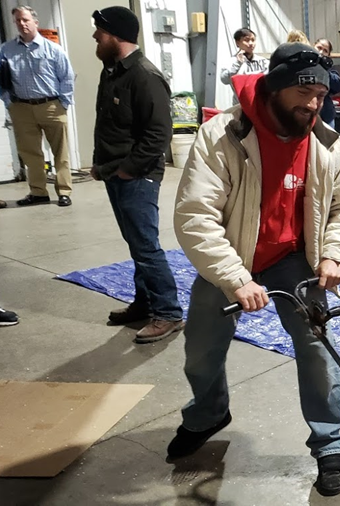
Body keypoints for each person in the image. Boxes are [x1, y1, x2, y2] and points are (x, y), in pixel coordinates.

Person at [170, 42, 340, 497]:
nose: (314, 104)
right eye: (304, 92)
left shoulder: (324, 141)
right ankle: (207, 413)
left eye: (321, 94)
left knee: (316, 349)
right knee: (200, 349)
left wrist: (334, 254)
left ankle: (330, 443)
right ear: (275, 86)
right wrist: (236, 278)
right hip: (233, 258)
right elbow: (195, 216)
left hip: (293, 260)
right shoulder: (223, 136)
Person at [91, 6, 184, 343]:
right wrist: (102, 166)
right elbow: (110, 125)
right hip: (116, 173)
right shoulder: (112, 71)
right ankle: (145, 304)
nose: (95, 37)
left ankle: (169, 313)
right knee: (136, 243)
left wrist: (129, 171)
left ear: (116, 34)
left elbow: (159, 135)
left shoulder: (145, 75)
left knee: (146, 247)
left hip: (137, 176)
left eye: (99, 31)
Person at [0, 5, 75, 207]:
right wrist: (9, 103)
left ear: (35, 21)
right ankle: (38, 192)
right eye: (18, 21)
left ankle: (64, 192)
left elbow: (67, 78)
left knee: (61, 153)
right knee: (30, 154)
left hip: (51, 106)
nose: (22, 24)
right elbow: (2, 79)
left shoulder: (54, 49)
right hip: (21, 108)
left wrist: (63, 104)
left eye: (25, 20)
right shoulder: (6, 50)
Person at [314, 38, 340, 128]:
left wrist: (324, 71)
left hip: (325, 115)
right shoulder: (305, 63)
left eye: (325, 50)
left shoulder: (329, 68)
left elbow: (338, 85)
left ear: (328, 55)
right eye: (319, 48)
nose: (321, 52)